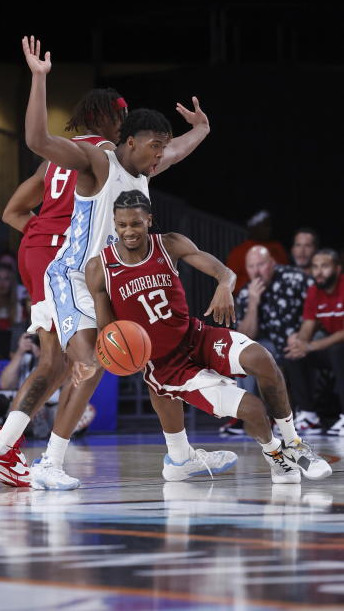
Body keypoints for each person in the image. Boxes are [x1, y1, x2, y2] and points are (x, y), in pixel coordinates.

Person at [0, 35, 213, 490]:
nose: (162, 153)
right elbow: (36, 139)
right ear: (126, 134)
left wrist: (201, 129)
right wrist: (39, 80)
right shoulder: (95, 158)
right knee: (85, 363)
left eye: (163, 147)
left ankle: (177, 455)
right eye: (154, 145)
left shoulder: (143, 167)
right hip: (69, 272)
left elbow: (176, 150)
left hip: (101, 277)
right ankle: (47, 461)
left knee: (109, 359)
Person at [80, 190, 331, 484]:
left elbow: (222, 271)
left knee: (263, 358)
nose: (128, 231)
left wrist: (224, 283)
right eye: (121, 225)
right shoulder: (100, 268)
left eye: (135, 223)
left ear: (149, 220)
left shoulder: (169, 244)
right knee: (252, 408)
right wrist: (114, 357)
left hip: (196, 336)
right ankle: (275, 455)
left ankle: (295, 445)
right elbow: (108, 332)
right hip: (168, 367)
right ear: (114, 223)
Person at [220, 245, 312, 436]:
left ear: (272, 263)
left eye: (261, 264)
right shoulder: (247, 292)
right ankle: (249, 417)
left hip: (298, 338)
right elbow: (246, 335)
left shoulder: (294, 278)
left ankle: (273, 417)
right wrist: (254, 303)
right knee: (244, 354)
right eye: (251, 267)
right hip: (270, 345)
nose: (257, 271)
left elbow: (314, 308)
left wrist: (303, 335)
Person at [284, 249, 344, 436]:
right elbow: (308, 324)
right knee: (293, 357)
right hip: (334, 349)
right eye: (315, 267)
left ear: (337, 268)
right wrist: (299, 345)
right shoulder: (314, 291)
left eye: (324, 266)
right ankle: (309, 416)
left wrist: (311, 346)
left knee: (337, 352)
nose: (318, 272)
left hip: (339, 349)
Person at [226, 209, 289, 295]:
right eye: (265, 226)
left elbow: (286, 272)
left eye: (269, 225)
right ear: (254, 227)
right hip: (248, 297)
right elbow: (231, 282)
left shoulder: (277, 247)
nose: (269, 229)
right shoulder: (238, 252)